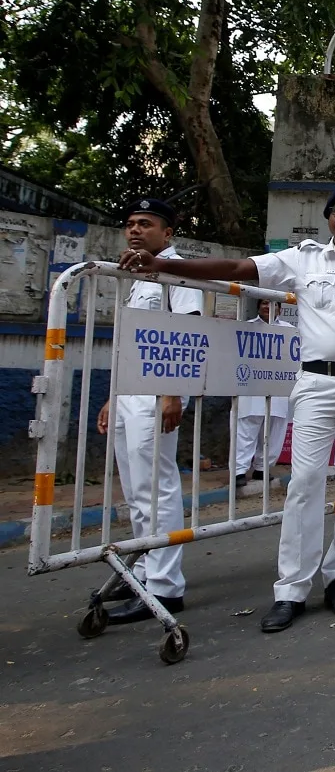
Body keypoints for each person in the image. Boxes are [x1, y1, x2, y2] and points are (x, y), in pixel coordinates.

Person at [119, 182, 335, 631]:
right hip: (315, 382)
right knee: (305, 483)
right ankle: (291, 590)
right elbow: (236, 266)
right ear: (328, 219)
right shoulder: (301, 259)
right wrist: (160, 264)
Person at [95, 198, 203, 624]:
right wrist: (113, 394)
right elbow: (130, 343)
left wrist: (173, 394)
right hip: (130, 391)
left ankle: (164, 586)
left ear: (167, 233)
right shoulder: (137, 275)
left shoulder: (177, 272)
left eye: (146, 223)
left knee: (156, 487)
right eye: (130, 223)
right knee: (137, 489)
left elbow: (186, 333)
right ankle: (142, 568)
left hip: (159, 392)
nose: (135, 230)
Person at [233, 299, 293, 489]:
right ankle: (239, 471)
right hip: (251, 387)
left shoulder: (289, 330)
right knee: (245, 429)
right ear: (258, 306)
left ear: (281, 310)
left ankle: (263, 468)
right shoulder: (246, 328)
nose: (268, 307)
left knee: (274, 431)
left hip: (278, 388)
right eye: (265, 303)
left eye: (274, 304)